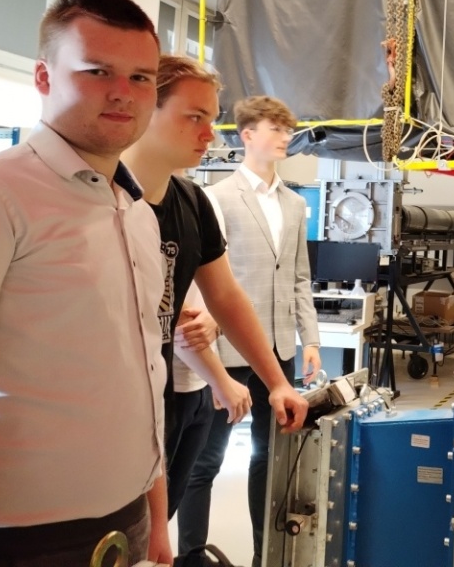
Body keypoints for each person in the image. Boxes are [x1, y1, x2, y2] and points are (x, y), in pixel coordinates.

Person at [0, 0, 166, 567]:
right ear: (43, 77)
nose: (123, 93)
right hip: (24, 537)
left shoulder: (135, 212)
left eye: (141, 78)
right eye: (97, 71)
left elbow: (142, 368)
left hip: (128, 518)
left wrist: (155, 518)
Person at [120, 56, 313, 529]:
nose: (209, 135)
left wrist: (278, 380)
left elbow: (225, 296)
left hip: (178, 390)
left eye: (211, 118)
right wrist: (221, 377)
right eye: (195, 117)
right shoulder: (106, 201)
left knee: (156, 521)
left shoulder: (193, 203)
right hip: (127, 401)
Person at [177, 95, 321, 566]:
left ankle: (266, 554)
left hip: (278, 349)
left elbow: (299, 277)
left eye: (287, 130)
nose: (284, 138)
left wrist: (310, 339)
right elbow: (209, 282)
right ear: (247, 135)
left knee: (269, 458)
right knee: (206, 460)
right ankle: (191, 555)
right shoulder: (216, 198)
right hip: (227, 349)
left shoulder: (295, 204)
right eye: (275, 129)